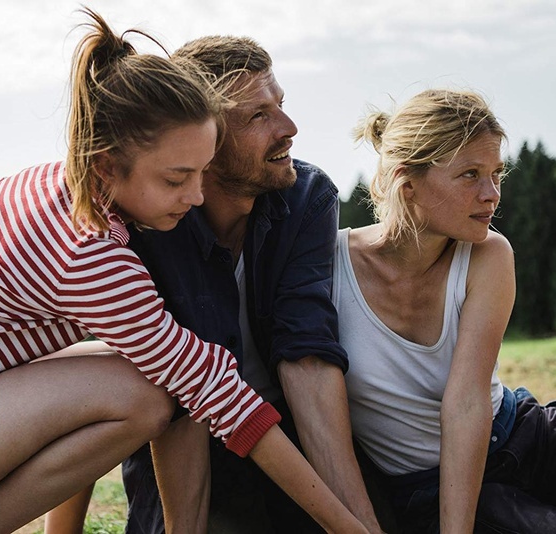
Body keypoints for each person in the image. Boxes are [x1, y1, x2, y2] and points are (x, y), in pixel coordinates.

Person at [0, 10, 367, 534]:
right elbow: (219, 396)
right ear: (108, 165)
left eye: (201, 173)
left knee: (121, 368)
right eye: (176, 179)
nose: (196, 197)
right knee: (146, 394)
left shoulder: (44, 181)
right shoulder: (93, 255)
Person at [45, 35, 384, 534]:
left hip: (285, 435)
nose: (289, 129)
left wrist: (361, 524)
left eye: (280, 105)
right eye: (258, 116)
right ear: (203, 137)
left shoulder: (307, 199)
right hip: (182, 440)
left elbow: (307, 357)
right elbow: (107, 382)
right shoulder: (145, 221)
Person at [334, 88, 556, 533]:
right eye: (470, 175)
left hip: (523, 436)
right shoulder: (330, 267)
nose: (492, 194)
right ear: (407, 184)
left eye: (496, 174)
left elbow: (468, 400)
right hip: (434, 490)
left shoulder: (489, 253)